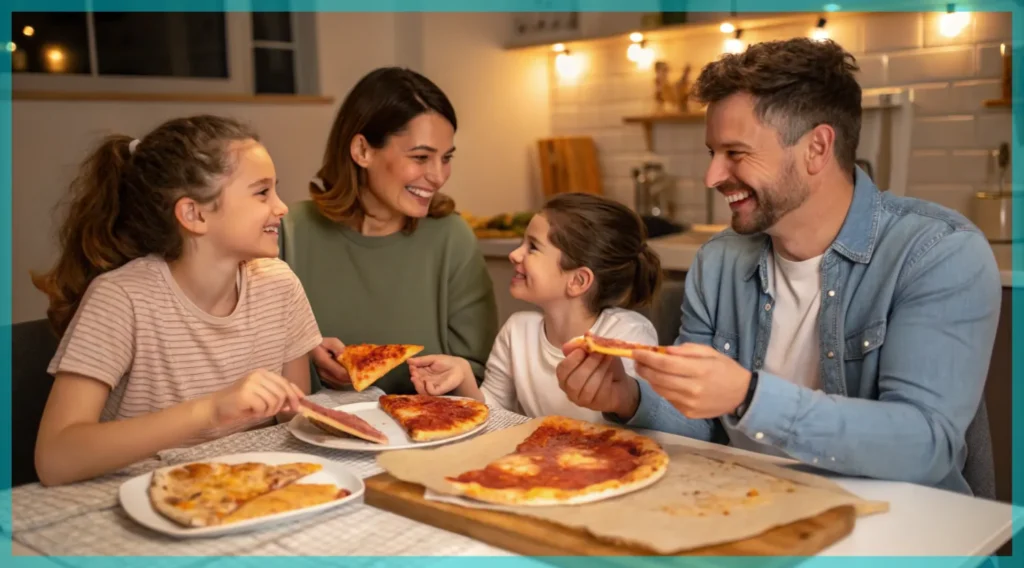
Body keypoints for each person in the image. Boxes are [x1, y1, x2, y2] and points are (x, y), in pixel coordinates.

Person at [556, 38, 1001, 495]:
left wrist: (749, 396)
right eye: (713, 153)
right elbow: (701, 425)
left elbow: (926, 446)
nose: (712, 177)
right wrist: (627, 399)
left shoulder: (937, 253)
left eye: (736, 153)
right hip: (750, 506)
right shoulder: (718, 262)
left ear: (816, 148)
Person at [32, 115, 322, 486]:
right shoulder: (121, 299)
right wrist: (211, 409)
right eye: (262, 192)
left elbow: (293, 420)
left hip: (247, 491)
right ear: (194, 214)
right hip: (137, 498)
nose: (282, 207)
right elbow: (55, 459)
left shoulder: (279, 285)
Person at [280, 67, 498, 395]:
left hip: (430, 437)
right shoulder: (288, 232)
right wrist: (301, 357)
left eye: (446, 158)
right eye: (421, 157)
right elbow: (249, 362)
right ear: (363, 151)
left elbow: (478, 373)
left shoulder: (452, 238)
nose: (438, 177)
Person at [406, 193, 661, 422]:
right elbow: (492, 415)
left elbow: (644, 424)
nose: (515, 255)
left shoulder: (629, 334)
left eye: (533, 247)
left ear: (578, 281)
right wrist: (463, 376)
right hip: (537, 465)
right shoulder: (517, 330)